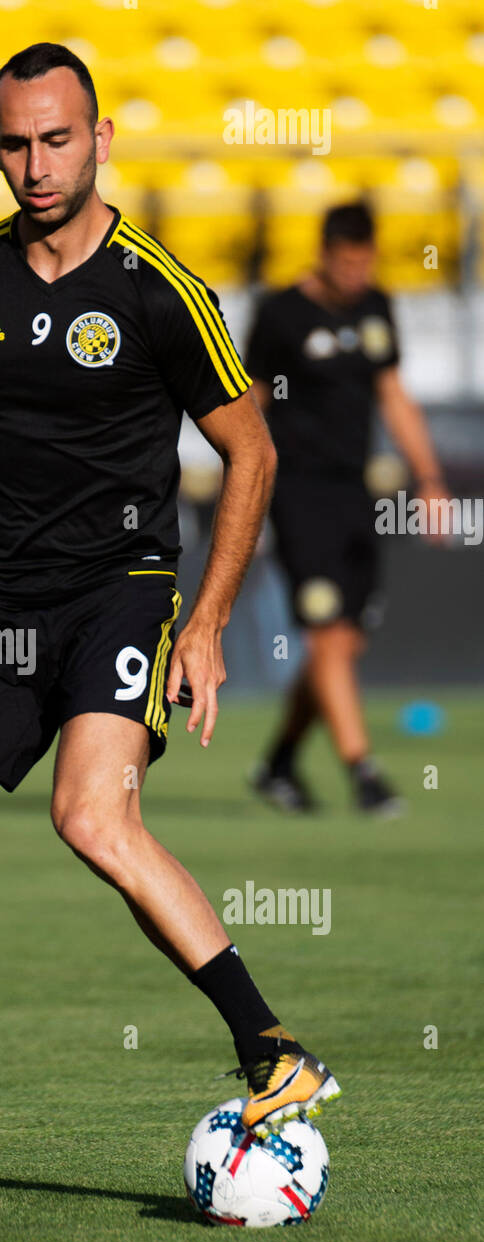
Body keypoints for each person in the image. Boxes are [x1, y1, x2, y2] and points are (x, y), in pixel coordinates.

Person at [0, 44, 340, 1210]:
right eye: (13, 143)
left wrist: (209, 620)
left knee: (91, 815)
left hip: (119, 592)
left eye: (56, 138)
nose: (34, 163)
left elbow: (250, 449)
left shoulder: (156, 289)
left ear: (99, 138)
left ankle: (271, 1052)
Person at [245, 202, 451, 815]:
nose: (357, 272)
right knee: (327, 635)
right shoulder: (281, 313)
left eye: (366, 261)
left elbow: (393, 395)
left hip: (355, 495)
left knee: (345, 642)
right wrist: (247, 487)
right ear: (326, 252)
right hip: (297, 494)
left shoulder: (376, 308)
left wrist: (430, 479)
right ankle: (364, 771)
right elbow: (250, 403)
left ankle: (279, 763)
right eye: (348, 261)